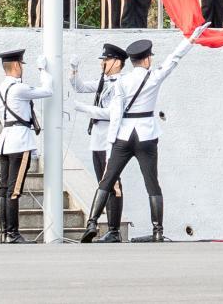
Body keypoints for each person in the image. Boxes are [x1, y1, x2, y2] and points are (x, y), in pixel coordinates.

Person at [81, 24, 209, 243]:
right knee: (152, 182)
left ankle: (92, 223)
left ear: (131, 61)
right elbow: (174, 59)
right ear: (147, 59)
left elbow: (116, 114)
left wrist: (111, 145)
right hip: (146, 135)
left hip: (123, 134)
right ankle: (157, 230)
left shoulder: (121, 81)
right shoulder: (154, 77)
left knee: (107, 179)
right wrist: (190, 39)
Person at [70, 44, 129, 242]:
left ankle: (114, 230)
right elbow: (79, 87)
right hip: (97, 139)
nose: (102, 63)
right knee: (103, 183)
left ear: (117, 62)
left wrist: (83, 109)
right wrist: (74, 69)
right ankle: (109, 230)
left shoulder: (121, 84)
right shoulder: (104, 81)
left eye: (106, 60)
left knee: (113, 184)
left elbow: (110, 113)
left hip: (109, 139)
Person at [0, 49, 52, 244]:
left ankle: (5, 233)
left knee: (4, 188)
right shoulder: (19, 88)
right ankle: (12, 233)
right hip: (19, 142)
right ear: (17, 65)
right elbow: (47, 90)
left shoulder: (0, 88)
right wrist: (43, 70)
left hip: (5, 141)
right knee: (14, 190)